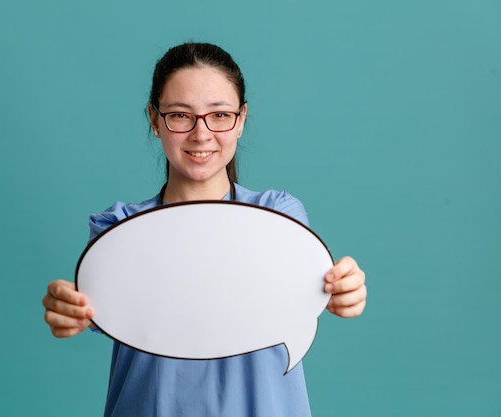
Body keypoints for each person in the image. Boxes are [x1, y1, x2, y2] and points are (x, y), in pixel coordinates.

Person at [42, 42, 367, 417]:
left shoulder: (279, 215)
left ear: (241, 119)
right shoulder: (117, 229)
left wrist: (342, 289)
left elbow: (311, 286)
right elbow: (96, 307)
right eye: (181, 115)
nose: (201, 134)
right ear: (154, 118)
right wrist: (71, 307)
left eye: (220, 115)